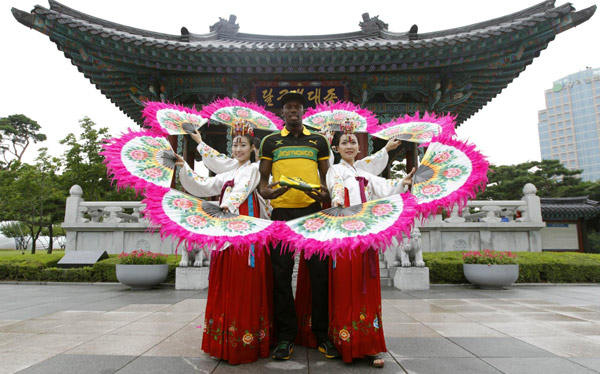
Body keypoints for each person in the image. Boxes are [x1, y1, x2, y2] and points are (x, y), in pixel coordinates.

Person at [175, 123, 273, 365]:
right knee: (224, 284)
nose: (238, 148)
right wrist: (183, 167)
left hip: (245, 234)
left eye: (243, 144)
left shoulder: (254, 170)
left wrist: (228, 204)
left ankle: (245, 343)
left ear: (253, 149)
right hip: (224, 231)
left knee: (244, 284)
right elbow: (204, 185)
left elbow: (242, 190)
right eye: (235, 144)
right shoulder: (227, 174)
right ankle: (223, 340)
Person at [258, 91, 339, 360]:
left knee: (319, 274)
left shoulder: (319, 140)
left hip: (313, 213)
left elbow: (328, 177)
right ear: (282, 112)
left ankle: (322, 335)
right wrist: (268, 194)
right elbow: (262, 182)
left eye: (297, 107)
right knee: (281, 276)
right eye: (288, 107)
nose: (293, 111)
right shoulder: (270, 142)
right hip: (281, 214)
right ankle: (285, 337)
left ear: (303, 111)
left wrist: (326, 194)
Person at [326, 124, 414, 368]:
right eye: (344, 142)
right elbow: (336, 187)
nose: (349, 145)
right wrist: (337, 200)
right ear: (336, 148)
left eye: (353, 141)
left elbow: (387, 189)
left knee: (368, 289)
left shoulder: (366, 175)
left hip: (367, 236)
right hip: (344, 234)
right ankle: (346, 342)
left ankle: (371, 346)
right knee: (345, 285)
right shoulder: (335, 170)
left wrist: (403, 182)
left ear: (359, 147)